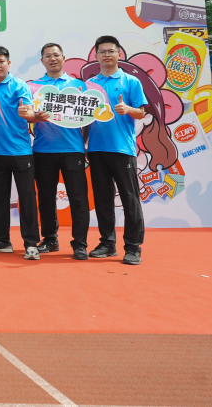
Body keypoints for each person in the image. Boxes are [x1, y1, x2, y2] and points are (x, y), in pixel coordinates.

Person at [85, 36, 148, 265]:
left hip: (122, 149)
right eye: (102, 51)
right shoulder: (89, 84)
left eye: (111, 51)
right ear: (96, 55)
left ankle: (133, 247)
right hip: (96, 149)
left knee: (130, 198)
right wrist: (84, 144)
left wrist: (127, 108)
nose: (107, 55)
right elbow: (85, 118)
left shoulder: (131, 81)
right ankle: (107, 243)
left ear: (119, 53)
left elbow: (141, 112)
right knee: (102, 198)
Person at [27, 43, 91, 260]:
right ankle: (50, 239)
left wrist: (83, 144)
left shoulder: (79, 86)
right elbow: (27, 115)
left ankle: (80, 243)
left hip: (73, 150)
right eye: (48, 56)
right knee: (46, 197)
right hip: (43, 150)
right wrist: (35, 117)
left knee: (78, 197)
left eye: (56, 55)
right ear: (42, 61)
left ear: (64, 58)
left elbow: (88, 119)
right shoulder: (33, 87)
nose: (52, 59)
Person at [0, 45, 40, 260]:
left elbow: (30, 112)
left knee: (27, 198)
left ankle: (31, 243)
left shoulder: (19, 86)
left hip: (20, 151)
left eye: (1, 61)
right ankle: (1, 240)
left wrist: (28, 113)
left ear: (9, 63)